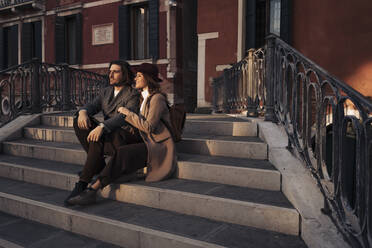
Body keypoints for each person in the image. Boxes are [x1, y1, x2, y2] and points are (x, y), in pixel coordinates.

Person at [68, 63, 177, 205]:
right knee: (99, 137)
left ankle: (91, 189)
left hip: (157, 144)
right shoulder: (143, 97)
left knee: (122, 152)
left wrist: (126, 113)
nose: (135, 79)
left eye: (139, 76)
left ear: (148, 78)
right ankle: (86, 180)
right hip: (144, 139)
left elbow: (148, 127)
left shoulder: (157, 99)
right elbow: (93, 105)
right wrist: (83, 112)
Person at [64, 60, 142, 206]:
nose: (110, 74)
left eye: (115, 72)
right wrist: (83, 112)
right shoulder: (105, 92)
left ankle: (82, 184)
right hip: (106, 134)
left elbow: (125, 117)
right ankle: (98, 166)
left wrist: (102, 126)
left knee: (98, 136)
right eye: (110, 71)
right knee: (78, 122)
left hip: (122, 136)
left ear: (124, 74)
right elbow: (92, 105)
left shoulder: (133, 94)